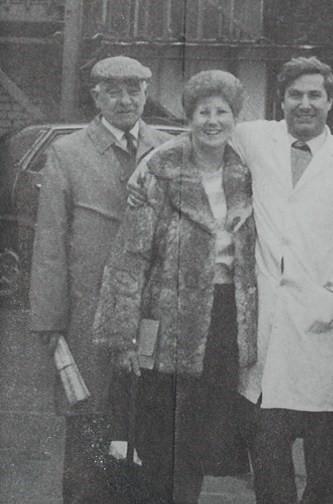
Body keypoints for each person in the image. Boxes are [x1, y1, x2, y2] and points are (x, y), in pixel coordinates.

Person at [128, 56, 333, 504]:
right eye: (294, 95)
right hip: (264, 330)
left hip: (322, 324)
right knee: (270, 461)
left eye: (314, 95)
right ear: (280, 100)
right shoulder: (254, 138)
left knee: (323, 467)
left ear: (330, 101)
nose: (304, 104)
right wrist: (141, 170)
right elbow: (193, 139)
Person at [93, 69, 256, 503]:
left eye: (222, 111)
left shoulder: (246, 172)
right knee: (159, 440)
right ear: (190, 116)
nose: (212, 120)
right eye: (203, 111)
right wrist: (123, 335)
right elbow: (129, 258)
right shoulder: (161, 170)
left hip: (223, 323)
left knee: (200, 442)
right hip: (166, 324)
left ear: (234, 118)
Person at [29, 55, 171, 504]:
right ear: (96, 96)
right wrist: (51, 326)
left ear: (147, 92)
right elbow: (50, 242)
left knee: (146, 430)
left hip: (152, 316)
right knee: (90, 429)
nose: (125, 100)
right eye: (113, 91)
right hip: (88, 316)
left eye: (134, 90)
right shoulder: (68, 154)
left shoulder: (167, 149)